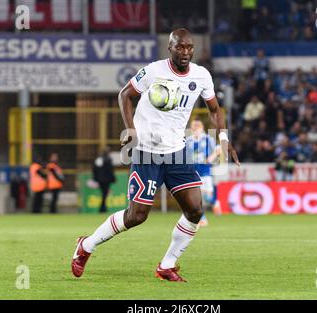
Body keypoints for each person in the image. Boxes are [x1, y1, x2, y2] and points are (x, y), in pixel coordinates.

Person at [71, 28, 240, 282]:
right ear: (169, 49)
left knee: (195, 210)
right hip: (147, 152)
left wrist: (224, 138)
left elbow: (214, 109)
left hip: (177, 152)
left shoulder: (201, 75)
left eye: (189, 47)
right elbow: (125, 95)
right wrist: (130, 128)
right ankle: (86, 245)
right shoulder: (153, 71)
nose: (185, 52)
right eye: (180, 47)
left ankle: (167, 265)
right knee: (136, 216)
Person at [186, 118, 221, 226]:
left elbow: (218, 149)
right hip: (193, 172)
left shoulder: (207, 139)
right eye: (194, 128)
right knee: (197, 197)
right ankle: (202, 218)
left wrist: (211, 158)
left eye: (198, 128)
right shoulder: (188, 140)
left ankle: (214, 202)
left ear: (202, 129)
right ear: (191, 129)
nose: (196, 130)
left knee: (207, 196)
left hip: (205, 171)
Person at [92, 146, 116, 213]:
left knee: (104, 193)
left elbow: (94, 169)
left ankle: (103, 207)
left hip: (100, 180)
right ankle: (103, 208)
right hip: (106, 180)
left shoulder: (98, 159)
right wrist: (113, 179)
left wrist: (95, 178)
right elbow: (110, 170)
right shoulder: (108, 159)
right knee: (105, 193)